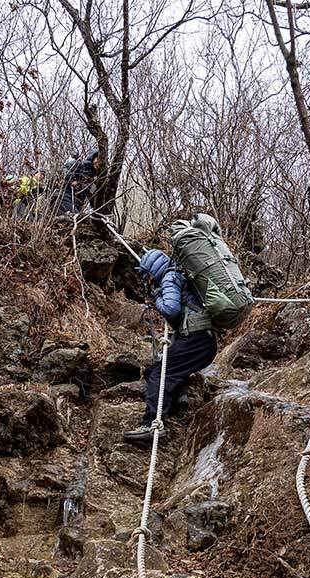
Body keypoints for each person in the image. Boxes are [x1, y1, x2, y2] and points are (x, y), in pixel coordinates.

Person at [123, 249, 217, 444]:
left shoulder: (169, 278)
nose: (145, 278)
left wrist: (157, 297)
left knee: (159, 374)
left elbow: (171, 309)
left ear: (153, 270)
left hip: (195, 340)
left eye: (146, 273)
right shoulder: (177, 275)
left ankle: (152, 423)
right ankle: (179, 399)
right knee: (154, 370)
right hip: (202, 341)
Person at [52, 149, 101, 216]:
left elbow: (91, 196)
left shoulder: (95, 180)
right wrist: (71, 179)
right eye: (98, 159)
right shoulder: (80, 165)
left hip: (75, 204)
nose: (99, 162)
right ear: (93, 158)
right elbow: (62, 170)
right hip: (62, 198)